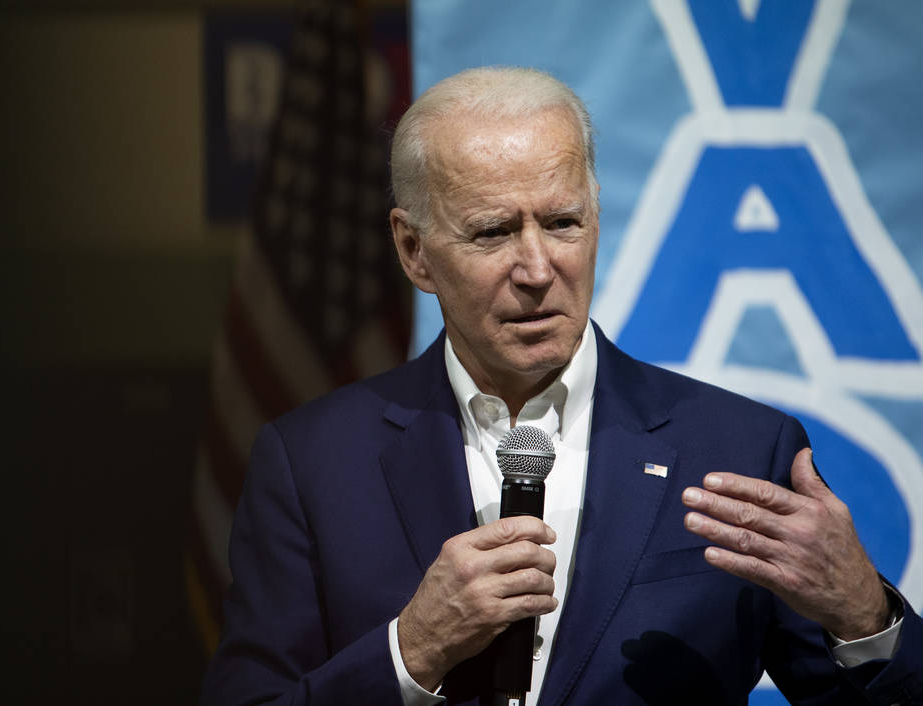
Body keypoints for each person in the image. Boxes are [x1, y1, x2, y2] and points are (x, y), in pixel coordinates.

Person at [201, 67, 922, 705]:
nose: (539, 268)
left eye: (563, 222)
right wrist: (412, 652)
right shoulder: (310, 463)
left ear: (597, 219)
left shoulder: (739, 449)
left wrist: (864, 617)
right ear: (414, 250)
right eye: (492, 232)